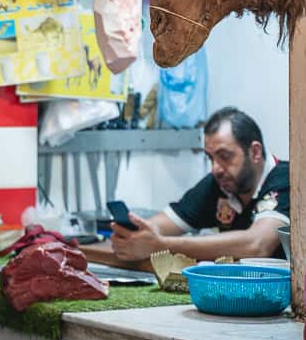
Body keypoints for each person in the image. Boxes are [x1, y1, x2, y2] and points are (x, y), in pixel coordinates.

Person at [111, 107, 290, 261]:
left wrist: (160, 245)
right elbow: (165, 223)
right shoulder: (221, 182)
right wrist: (137, 235)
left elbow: (257, 245)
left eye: (225, 156)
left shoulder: (287, 179)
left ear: (255, 152)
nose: (216, 168)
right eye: (210, 158)